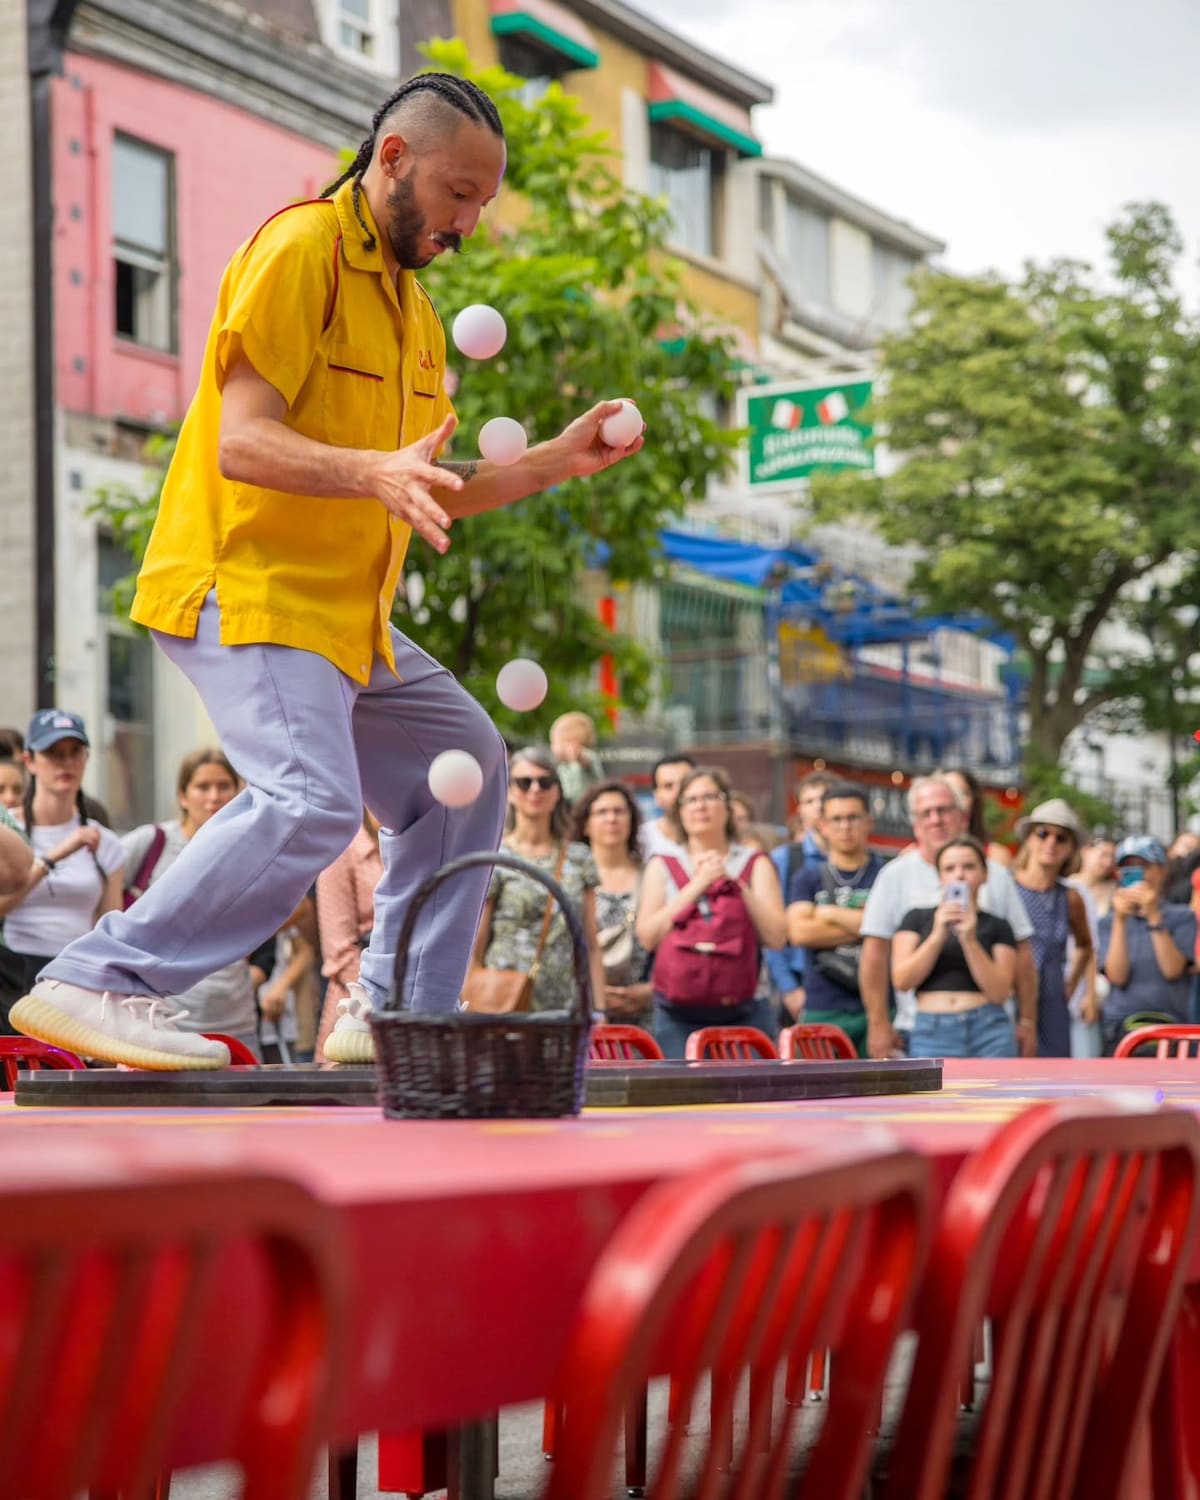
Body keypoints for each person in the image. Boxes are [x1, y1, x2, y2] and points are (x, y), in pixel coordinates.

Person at [12, 74, 643, 1071]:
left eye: (484, 202)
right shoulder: (300, 247)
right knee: (311, 798)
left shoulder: (418, 314)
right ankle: (99, 978)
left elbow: (422, 483)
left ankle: (395, 1013)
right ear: (393, 158)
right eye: (459, 192)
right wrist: (372, 472)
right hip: (247, 585)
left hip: (346, 618)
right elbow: (244, 442)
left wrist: (553, 462)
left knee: (467, 767)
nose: (470, 222)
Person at [858, 774, 1038, 1060]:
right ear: (915, 824)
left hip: (992, 1024)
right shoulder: (895, 875)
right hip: (920, 1024)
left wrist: (1027, 1020)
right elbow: (875, 954)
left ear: (963, 816)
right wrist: (878, 1023)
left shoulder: (998, 875)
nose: (936, 820)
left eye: (943, 810)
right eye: (926, 813)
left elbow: (1023, 955)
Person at [118, 749, 270, 1057]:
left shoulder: (249, 849)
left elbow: (292, 907)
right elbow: (98, 888)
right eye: (202, 787)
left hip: (236, 1019)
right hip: (163, 1018)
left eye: (224, 786)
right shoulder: (152, 842)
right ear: (183, 796)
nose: (214, 797)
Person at [636, 765, 786, 1057]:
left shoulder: (755, 861)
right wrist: (698, 884)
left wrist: (733, 883)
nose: (701, 806)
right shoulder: (662, 863)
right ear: (679, 811)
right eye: (691, 799)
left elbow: (777, 937)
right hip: (676, 1012)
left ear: (727, 806)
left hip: (747, 1010)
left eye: (710, 797)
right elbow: (648, 937)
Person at [0, 711, 125, 1032]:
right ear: (29, 761)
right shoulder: (8, 829)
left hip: (77, 977)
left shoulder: (105, 841)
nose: (65, 763)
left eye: (75, 752)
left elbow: (109, 927)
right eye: (53, 753)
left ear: (86, 758)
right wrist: (54, 857)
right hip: (14, 972)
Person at [469, 747, 606, 1013]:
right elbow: (476, 943)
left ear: (558, 791)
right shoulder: (495, 856)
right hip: (503, 1003)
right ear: (510, 791)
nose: (535, 790)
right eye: (524, 782)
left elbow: (591, 944)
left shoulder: (579, 857)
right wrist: (469, 998)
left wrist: (600, 1010)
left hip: (565, 1005)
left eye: (545, 782)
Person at [893, 836, 1018, 1059]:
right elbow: (902, 981)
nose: (959, 875)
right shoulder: (917, 918)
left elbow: (1000, 992)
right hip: (933, 1031)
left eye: (969, 867)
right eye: (949, 868)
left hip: (989, 1030)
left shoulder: (998, 925)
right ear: (939, 876)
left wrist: (970, 940)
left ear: (985, 874)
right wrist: (937, 935)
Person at [785, 783, 886, 1056]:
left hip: (879, 1009)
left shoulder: (887, 873)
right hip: (822, 1005)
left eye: (853, 817)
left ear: (869, 822)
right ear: (823, 825)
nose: (845, 826)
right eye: (836, 819)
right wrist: (869, 926)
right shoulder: (808, 877)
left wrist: (830, 914)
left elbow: (894, 929)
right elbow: (800, 933)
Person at [1098, 835, 1196, 1053]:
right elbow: (1117, 976)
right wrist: (1120, 920)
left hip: (1171, 1030)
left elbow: (1172, 970)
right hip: (1121, 1030)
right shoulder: (1108, 922)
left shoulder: (1182, 917)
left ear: (1161, 871)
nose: (1137, 873)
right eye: (1128, 867)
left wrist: (1153, 915)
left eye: (1143, 866)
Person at [1012, 799, 1093, 1057]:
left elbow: (1085, 945)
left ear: (1071, 848)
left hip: (1053, 1000)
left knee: (1053, 1072)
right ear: (1029, 838)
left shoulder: (1070, 897)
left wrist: (1070, 985)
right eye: (1043, 833)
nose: (1051, 842)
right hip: (1011, 996)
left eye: (1061, 837)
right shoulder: (1007, 886)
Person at [570, 780, 652, 1027]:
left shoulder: (653, 874)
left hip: (643, 1010)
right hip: (580, 1006)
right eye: (602, 812)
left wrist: (651, 990)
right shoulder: (571, 877)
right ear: (586, 824)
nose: (611, 819)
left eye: (619, 811)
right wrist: (594, 995)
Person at [766, 770, 837, 1021]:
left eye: (823, 798)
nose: (817, 807)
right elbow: (772, 932)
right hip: (801, 980)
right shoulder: (784, 858)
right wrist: (789, 989)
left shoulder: (864, 861)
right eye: (808, 801)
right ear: (799, 811)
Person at [316, 812, 384, 1063]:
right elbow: (339, 951)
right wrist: (387, 994)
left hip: (413, 1000)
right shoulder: (342, 848)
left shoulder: (419, 842)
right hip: (357, 1000)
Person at [940, 768, 1013, 868]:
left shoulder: (995, 857)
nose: (956, 801)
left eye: (961, 793)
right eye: (948, 793)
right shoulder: (918, 857)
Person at [638, 754, 695, 860]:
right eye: (668, 786)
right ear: (656, 796)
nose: (677, 792)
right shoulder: (641, 840)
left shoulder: (721, 836)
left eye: (684, 783)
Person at [550, 711, 605, 807]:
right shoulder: (562, 765)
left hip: (585, 807)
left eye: (555, 742)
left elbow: (587, 761)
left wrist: (577, 755)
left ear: (570, 742)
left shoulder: (585, 756)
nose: (552, 747)